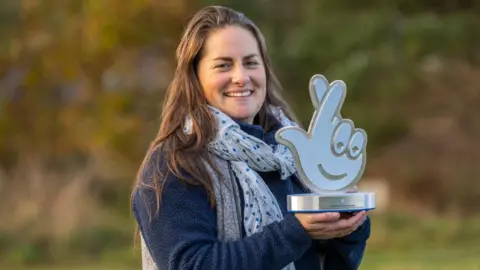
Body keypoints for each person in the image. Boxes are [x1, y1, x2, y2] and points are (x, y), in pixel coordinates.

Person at [131, 5, 370, 270]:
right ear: (195, 77)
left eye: (250, 63)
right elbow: (192, 264)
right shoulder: (174, 164)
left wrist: (348, 226)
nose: (241, 77)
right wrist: (295, 232)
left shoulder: (289, 156)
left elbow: (326, 263)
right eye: (223, 65)